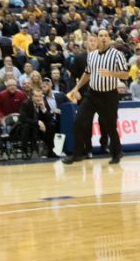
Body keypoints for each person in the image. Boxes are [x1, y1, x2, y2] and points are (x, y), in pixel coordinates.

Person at [63, 30, 129, 165]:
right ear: (97, 39)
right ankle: (77, 154)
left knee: (110, 126)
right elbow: (87, 74)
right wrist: (76, 88)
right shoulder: (92, 56)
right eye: (101, 36)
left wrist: (110, 73)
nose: (103, 38)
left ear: (109, 38)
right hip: (92, 95)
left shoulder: (117, 55)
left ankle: (117, 152)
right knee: (78, 121)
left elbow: (125, 75)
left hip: (109, 96)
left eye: (106, 35)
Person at [18, 89, 57, 158]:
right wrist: (38, 122)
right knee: (26, 127)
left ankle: (50, 151)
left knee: (51, 125)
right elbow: (23, 119)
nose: (38, 98)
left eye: (40, 96)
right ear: (32, 97)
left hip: (40, 128)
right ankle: (25, 152)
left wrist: (44, 109)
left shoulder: (44, 103)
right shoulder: (26, 103)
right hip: (28, 126)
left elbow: (49, 119)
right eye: (36, 96)